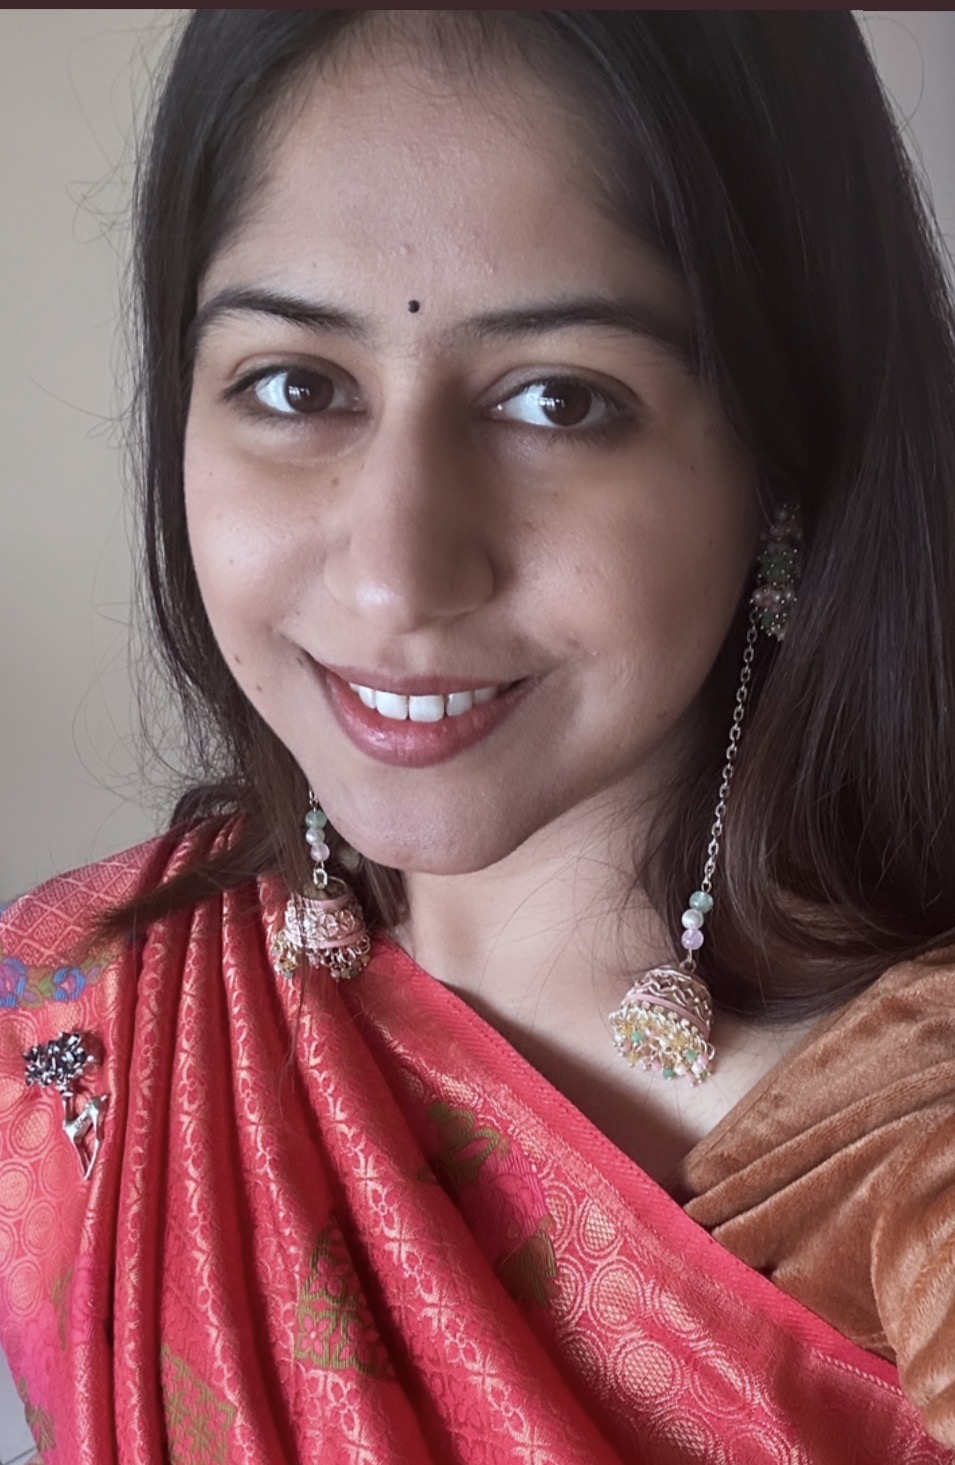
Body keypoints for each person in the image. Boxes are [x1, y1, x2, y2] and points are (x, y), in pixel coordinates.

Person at [2, 9, 955, 1461]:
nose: (397, 577)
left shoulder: (908, 1145)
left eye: (560, 401)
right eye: (296, 386)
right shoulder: (86, 1023)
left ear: (784, 453)